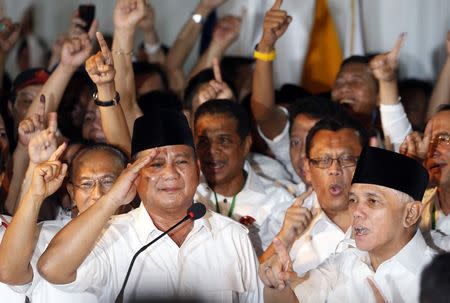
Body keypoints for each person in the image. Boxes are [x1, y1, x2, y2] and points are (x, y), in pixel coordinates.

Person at [38, 107, 262, 302]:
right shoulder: (112, 235)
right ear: (134, 174)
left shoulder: (233, 236)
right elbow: (51, 268)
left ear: (197, 169)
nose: (170, 173)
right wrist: (113, 198)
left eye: (181, 161)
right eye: (156, 164)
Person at [261, 146, 433, 303]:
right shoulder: (344, 261)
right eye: (353, 199)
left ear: (411, 214)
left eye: (372, 201)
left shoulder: (440, 278)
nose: (356, 211)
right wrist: (276, 285)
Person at [0, 143, 128, 302]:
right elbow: (9, 272)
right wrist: (35, 195)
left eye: (108, 181)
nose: (97, 194)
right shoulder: (46, 235)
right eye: (87, 184)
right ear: (72, 194)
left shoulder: (141, 230)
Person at [259, 116, 367, 276]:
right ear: (307, 169)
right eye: (323, 160)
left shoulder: (386, 217)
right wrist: (285, 237)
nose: (334, 169)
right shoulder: (280, 219)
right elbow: (256, 291)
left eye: (347, 159)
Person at [193, 99, 293, 255]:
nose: (212, 151)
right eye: (204, 141)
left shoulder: (278, 202)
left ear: (246, 144)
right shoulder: (187, 197)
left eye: (223, 141)